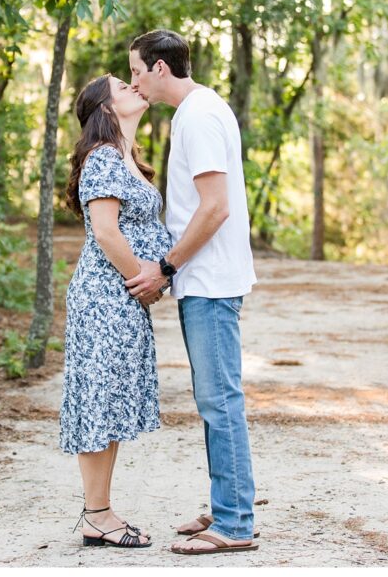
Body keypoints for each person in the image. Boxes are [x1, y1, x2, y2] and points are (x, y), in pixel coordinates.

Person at [126, 29, 259, 555]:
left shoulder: (198, 116)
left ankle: (234, 523)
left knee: (219, 400)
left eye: (137, 70)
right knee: (214, 400)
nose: (134, 80)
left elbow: (214, 207)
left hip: (209, 281)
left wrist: (165, 267)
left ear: (160, 69)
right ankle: (227, 504)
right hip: (204, 280)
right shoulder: (199, 111)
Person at [60, 74, 172, 549]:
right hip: (105, 296)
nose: (134, 87)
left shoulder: (126, 158)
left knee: (109, 405)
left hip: (119, 297)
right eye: (122, 87)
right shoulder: (104, 158)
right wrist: (143, 281)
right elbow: (106, 232)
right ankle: (97, 514)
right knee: (97, 403)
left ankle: (99, 512)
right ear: (106, 109)